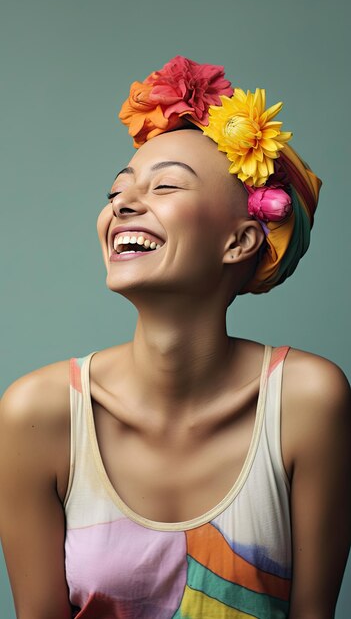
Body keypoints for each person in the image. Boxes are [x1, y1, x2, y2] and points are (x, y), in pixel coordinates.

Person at [0, 56, 350, 619]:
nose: (122, 205)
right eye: (117, 191)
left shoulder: (307, 401)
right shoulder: (37, 414)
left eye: (165, 186)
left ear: (240, 242)